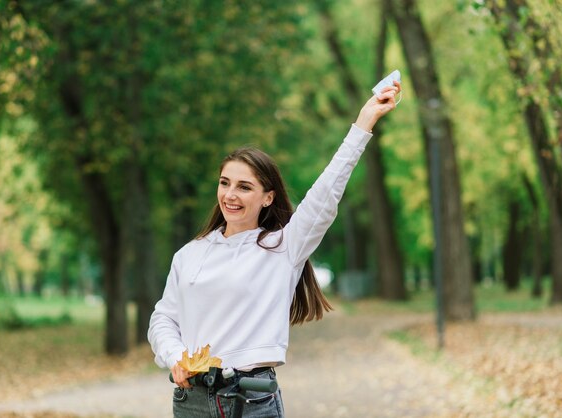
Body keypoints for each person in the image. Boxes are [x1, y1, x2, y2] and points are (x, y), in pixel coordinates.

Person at [148, 81, 401, 417]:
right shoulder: (190, 254)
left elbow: (325, 195)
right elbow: (163, 318)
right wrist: (175, 356)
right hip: (191, 400)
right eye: (224, 183)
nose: (230, 195)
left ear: (267, 197)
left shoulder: (282, 248)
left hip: (250, 399)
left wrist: (363, 123)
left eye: (244, 187)